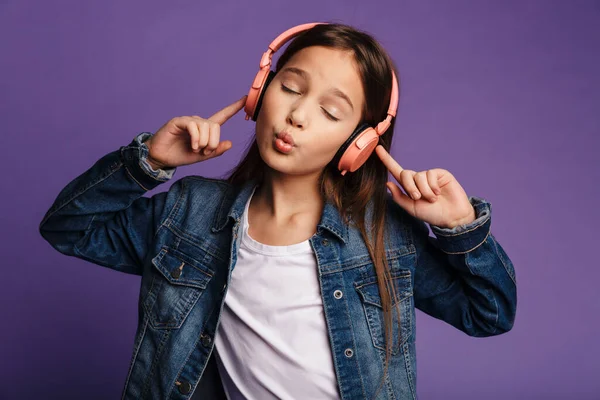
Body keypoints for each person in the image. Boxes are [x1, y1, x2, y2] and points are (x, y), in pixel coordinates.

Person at [39, 22, 517, 400]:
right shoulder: (188, 213)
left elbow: (490, 314)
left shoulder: (383, 234)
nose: (298, 116)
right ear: (260, 92)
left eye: (331, 113)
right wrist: (148, 162)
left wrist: (461, 228)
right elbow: (68, 229)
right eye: (290, 87)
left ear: (360, 142)